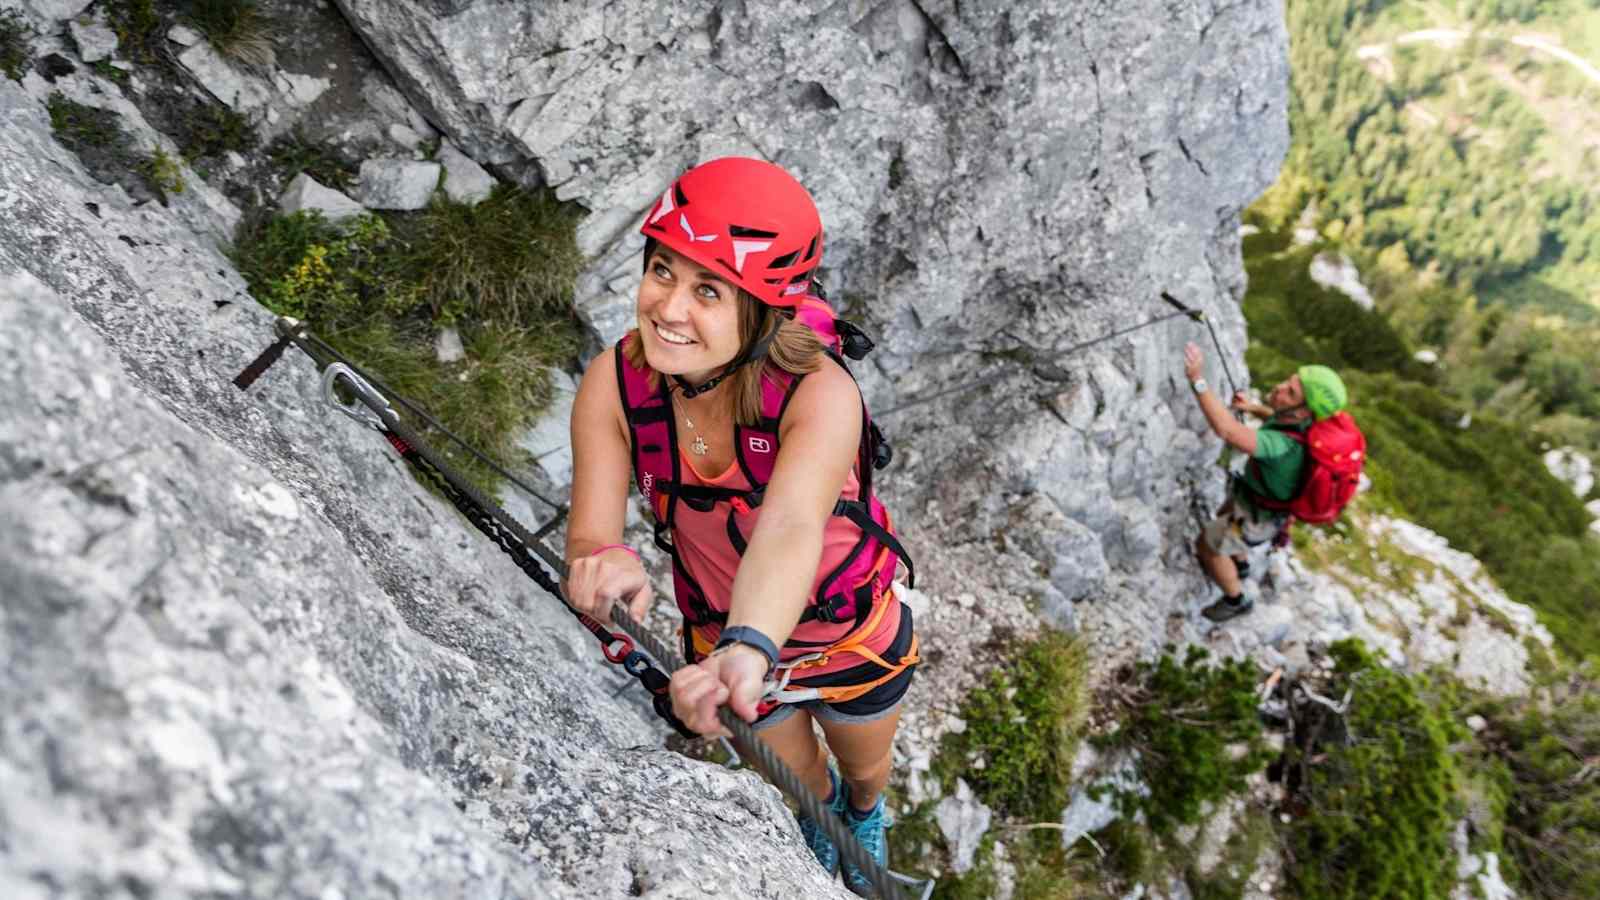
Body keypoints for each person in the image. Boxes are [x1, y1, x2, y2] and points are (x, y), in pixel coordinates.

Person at [563, 157, 918, 895]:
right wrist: (607, 563)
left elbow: (790, 525)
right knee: (807, 783)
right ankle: (827, 836)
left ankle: (867, 814)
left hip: (843, 633)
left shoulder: (818, 395)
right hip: (725, 642)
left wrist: (751, 644)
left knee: (862, 769)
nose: (668, 308)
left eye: (708, 291)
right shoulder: (616, 384)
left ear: (763, 312)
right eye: (662, 270)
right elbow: (591, 536)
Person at [1183, 341, 1348, 622]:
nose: (1281, 387)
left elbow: (1227, 430)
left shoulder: (1281, 445)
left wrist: (1197, 380)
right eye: (1289, 381)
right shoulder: (1308, 428)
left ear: (1302, 412)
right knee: (1226, 516)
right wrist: (1253, 408)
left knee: (1208, 546)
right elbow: (1276, 416)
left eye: (1291, 392)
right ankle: (1242, 562)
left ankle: (1235, 598)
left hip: (1256, 514)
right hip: (1258, 503)